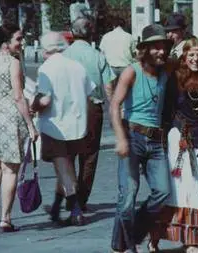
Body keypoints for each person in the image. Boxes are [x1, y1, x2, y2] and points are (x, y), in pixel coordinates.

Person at [149, 38, 198, 253]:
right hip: (179, 138)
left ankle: (192, 240)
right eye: (192, 55)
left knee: (197, 187)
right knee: (178, 188)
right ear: (184, 57)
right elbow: (166, 112)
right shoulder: (173, 78)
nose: (196, 59)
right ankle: (156, 237)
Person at [110, 24, 172, 253]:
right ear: (144, 49)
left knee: (163, 192)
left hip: (156, 141)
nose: (161, 52)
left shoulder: (166, 72)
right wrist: (121, 138)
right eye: (155, 47)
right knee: (127, 197)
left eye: (164, 47)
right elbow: (114, 105)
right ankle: (124, 246)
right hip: (133, 136)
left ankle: (130, 236)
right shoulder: (131, 71)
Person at [0, 22, 38, 232]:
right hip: (8, 119)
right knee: (10, 169)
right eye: (18, 39)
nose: (22, 43)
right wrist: (31, 125)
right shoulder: (12, 63)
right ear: (6, 43)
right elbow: (18, 96)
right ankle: (6, 218)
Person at [34, 31, 95, 226]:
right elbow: (89, 94)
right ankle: (55, 207)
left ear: (45, 51)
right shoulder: (78, 67)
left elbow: (45, 99)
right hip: (77, 124)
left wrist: (33, 105)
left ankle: (75, 208)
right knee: (66, 167)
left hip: (55, 126)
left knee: (63, 167)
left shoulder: (47, 68)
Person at [62, 17, 116, 211]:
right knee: (89, 155)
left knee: (68, 153)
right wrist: (113, 110)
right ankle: (81, 198)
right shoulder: (97, 56)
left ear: (72, 32)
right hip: (92, 107)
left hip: (68, 108)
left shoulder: (64, 56)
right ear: (91, 32)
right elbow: (109, 86)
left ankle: (70, 193)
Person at [99, 13, 135, 83]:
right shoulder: (129, 36)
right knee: (126, 91)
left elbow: (101, 52)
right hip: (125, 68)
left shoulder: (106, 36)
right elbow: (133, 53)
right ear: (124, 26)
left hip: (110, 68)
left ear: (113, 26)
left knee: (111, 91)